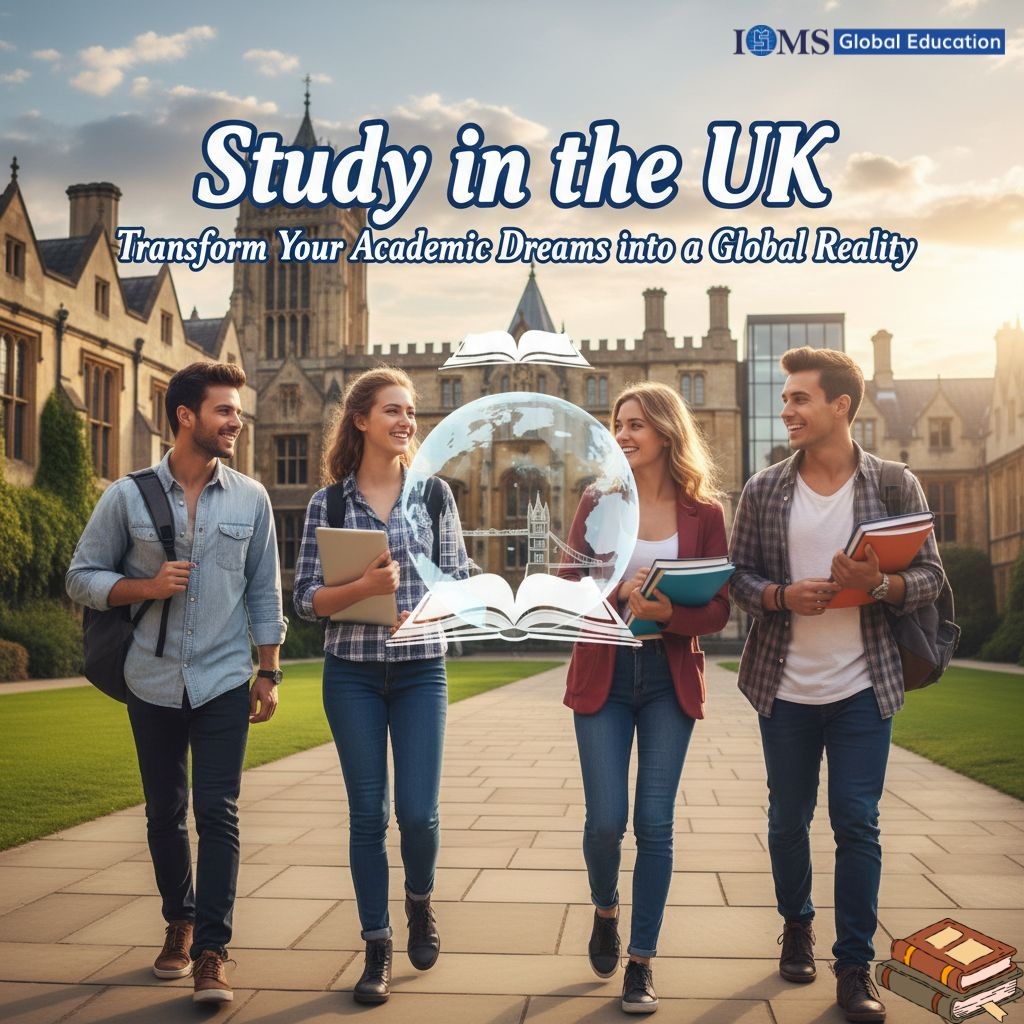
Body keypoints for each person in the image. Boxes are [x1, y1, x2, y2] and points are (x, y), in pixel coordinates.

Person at [729, 347, 945, 1022]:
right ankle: (797, 924)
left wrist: (879, 584)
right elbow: (737, 579)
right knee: (787, 819)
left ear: (840, 406)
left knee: (857, 822)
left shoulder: (895, 484)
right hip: (784, 687)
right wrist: (781, 596)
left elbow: (933, 578)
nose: (787, 410)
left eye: (800, 398)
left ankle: (854, 967)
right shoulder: (763, 490)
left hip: (863, 687)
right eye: (785, 399)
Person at [66, 361, 286, 1005]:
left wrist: (268, 671)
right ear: (186, 416)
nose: (236, 421)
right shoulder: (126, 496)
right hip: (151, 678)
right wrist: (146, 586)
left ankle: (213, 951)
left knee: (218, 812)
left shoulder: (251, 498)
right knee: (164, 811)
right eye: (225, 410)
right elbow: (81, 577)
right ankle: (179, 922)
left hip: (223, 678)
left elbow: (264, 593)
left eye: (238, 411)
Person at [292, 366, 468, 1005]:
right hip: (352, 675)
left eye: (410, 412)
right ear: (361, 420)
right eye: (393, 410)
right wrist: (363, 590)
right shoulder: (329, 503)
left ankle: (419, 900)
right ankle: (377, 945)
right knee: (367, 815)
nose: (406, 421)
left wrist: (427, 611)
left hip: (421, 671)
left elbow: (460, 583)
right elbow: (306, 600)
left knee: (417, 814)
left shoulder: (435, 497)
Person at [562, 381, 731, 1014]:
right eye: (618, 423)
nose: (623, 434)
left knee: (655, 823)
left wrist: (667, 614)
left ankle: (642, 962)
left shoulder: (705, 513)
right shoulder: (598, 501)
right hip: (604, 675)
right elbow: (568, 585)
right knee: (607, 821)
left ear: (665, 430)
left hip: (668, 676)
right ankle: (606, 908)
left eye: (635, 424)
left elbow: (719, 607)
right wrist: (618, 593)